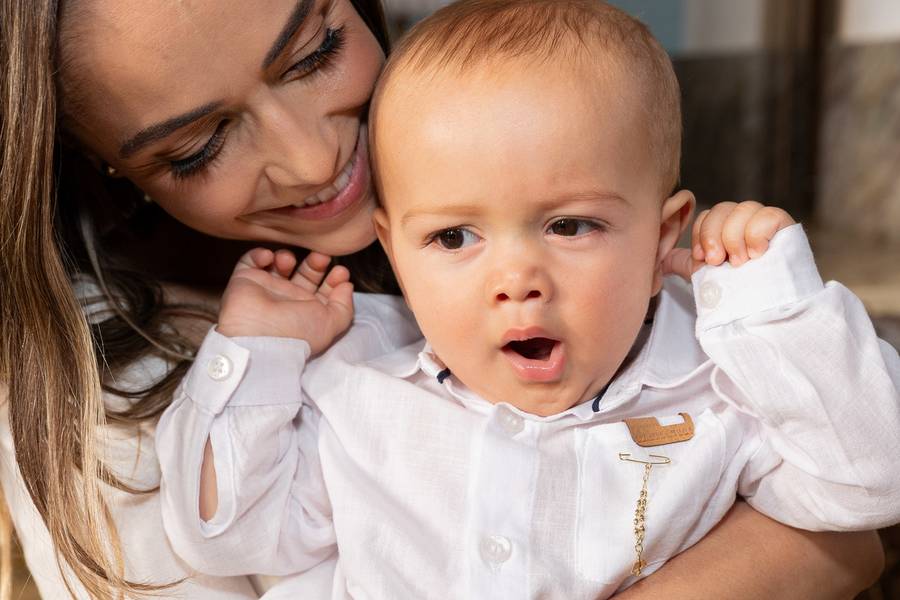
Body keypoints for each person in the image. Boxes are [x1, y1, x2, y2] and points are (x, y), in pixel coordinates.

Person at [0, 0, 886, 598]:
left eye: (316, 53)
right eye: (197, 147)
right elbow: (224, 531)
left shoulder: (691, 342)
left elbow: (856, 515)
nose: (313, 161)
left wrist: (774, 307)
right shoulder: (301, 396)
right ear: (106, 174)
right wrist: (257, 355)